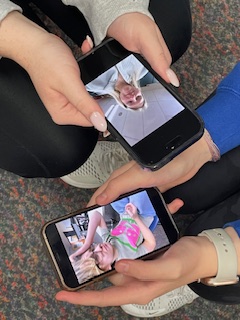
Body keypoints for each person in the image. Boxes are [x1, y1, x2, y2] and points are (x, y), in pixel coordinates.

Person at [55, 63, 240, 317]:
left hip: (137, 219)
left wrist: (219, 252)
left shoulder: (112, 241)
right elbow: (144, 236)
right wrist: (199, 144)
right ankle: (144, 159)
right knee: (176, 189)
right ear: (107, 265)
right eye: (98, 257)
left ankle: (184, 278)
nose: (99, 250)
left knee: (208, 252)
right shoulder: (120, 245)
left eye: (94, 252)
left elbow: (108, 223)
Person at [0, 0, 191, 182]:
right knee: (57, 145)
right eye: (139, 98)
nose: (133, 96)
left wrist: (119, 9)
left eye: (131, 102)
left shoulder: (101, 88)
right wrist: (25, 44)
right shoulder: (135, 72)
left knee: (164, 34)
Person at [69, 202, 156, 271]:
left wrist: (87, 243)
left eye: (92, 249)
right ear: (106, 268)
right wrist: (135, 217)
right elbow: (151, 243)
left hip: (125, 211)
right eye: (96, 256)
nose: (98, 247)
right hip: (143, 215)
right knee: (138, 197)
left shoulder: (107, 241)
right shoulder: (128, 257)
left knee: (113, 197)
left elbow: (96, 215)